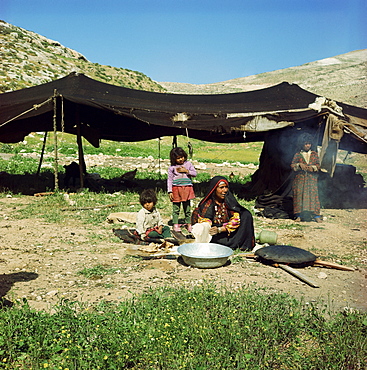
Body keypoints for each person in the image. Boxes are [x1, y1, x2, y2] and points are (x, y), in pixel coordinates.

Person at [191, 176, 255, 251]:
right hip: (214, 234)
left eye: (226, 187)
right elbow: (205, 221)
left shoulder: (228, 201)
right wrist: (211, 229)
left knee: (246, 214)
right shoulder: (208, 204)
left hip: (228, 232)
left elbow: (236, 218)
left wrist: (221, 229)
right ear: (214, 189)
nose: (225, 190)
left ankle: (243, 244)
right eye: (221, 187)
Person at [290, 133, 322, 222]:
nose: (308, 145)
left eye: (309, 143)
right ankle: (298, 216)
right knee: (299, 196)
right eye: (306, 143)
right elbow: (292, 165)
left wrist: (313, 168)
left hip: (311, 179)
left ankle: (316, 216)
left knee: (313, 196)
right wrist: (299, 165)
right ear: (302, 144)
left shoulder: (314, 154)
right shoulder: (298, 154)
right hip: (300, 179)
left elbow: (318, 166)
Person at [167, 147, 197, 232]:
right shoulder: (172, 168)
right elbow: (169, 180)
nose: (181, 159)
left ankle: (188, 223)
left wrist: (186, 171)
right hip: (176, 189)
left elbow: (195, 173)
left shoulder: (188, 164)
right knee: (176, 208)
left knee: (187, 208)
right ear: (174, 159)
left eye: (182, 157)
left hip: (187, 188)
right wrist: (170, 191)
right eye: (178, 158)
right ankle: (175, 224)